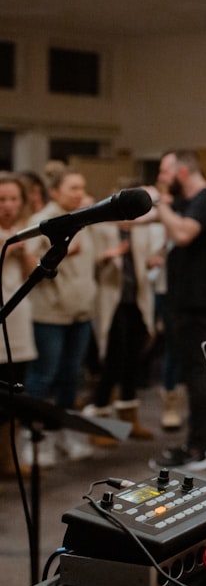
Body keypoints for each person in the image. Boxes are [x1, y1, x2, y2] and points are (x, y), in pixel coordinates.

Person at [149, 150, 206, 471]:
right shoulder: (185, 203)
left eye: (165, 171)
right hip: (184, 298)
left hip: (198, 300)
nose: (162, 178)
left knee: (195, 372)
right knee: (191, 369)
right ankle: (201, 439)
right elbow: (138, 220)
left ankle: (199, 445)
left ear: (181, 171)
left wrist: (159, 203)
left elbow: (182, 234)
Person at [20, 168, 99, 466]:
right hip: (50, 314)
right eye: (73, 187)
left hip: (81, 312)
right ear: (55, 192)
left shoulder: (85, 218)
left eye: (82, 187)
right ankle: (34, 437)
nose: (79, 193)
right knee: (43, 377)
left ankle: (65, 432)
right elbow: (30, 262)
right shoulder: (43, 221)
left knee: (71, 377)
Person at [85, 179, 164, 440]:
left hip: (136, 300)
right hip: (112, 300)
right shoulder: (101, 228)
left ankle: (129, 421)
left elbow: (144, 261)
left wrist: (152, 261)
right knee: (113, 362)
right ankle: (100, 423)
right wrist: (107, 257)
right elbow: (91, 266)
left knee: (134, 360)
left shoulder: (139, 230)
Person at [0, 172, 38, 476]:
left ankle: (9, 459)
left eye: (14, 199)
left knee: (15, 394)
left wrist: (23, 250)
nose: (8, 206)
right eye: (2, 200)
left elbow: (31, 275)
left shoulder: (24, 232)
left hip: (19, 323)